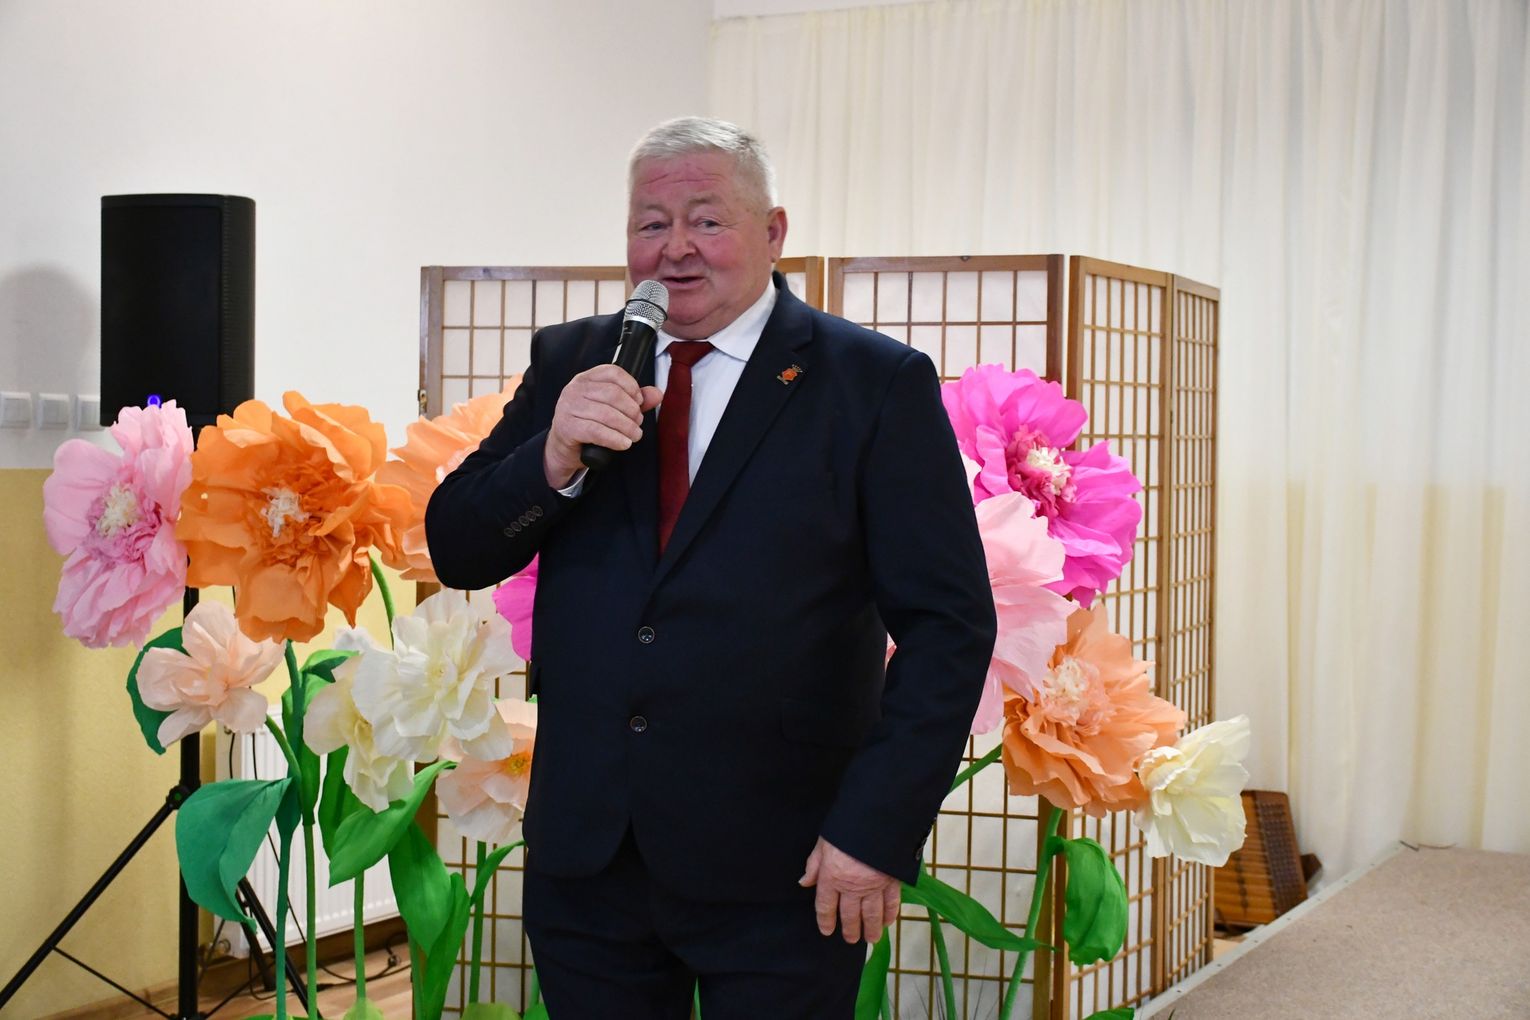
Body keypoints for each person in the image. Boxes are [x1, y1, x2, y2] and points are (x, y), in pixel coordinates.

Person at [426, 116, 995, 1019]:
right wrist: (554, 455)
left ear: (773, 232)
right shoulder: (574, 359)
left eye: (707, 220)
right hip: (591, 858)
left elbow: (950, 628)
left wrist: (875, 831)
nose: (676, 249)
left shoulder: (871, 382)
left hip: (790, 862)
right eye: (651, 224)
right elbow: (457, 547)